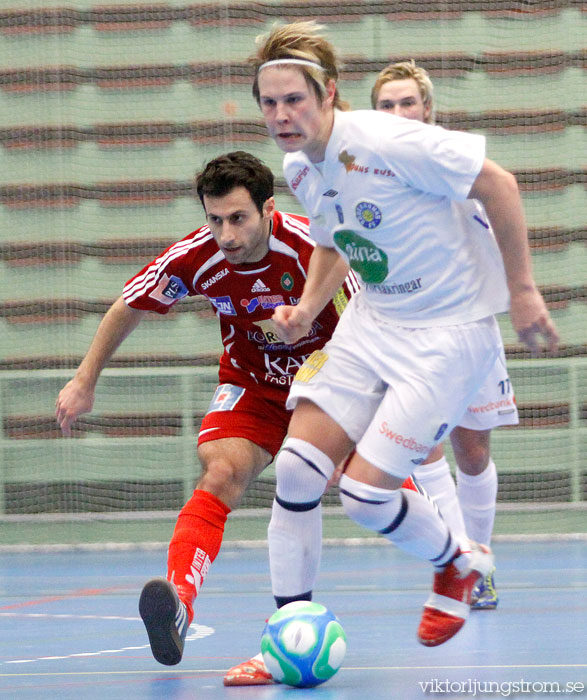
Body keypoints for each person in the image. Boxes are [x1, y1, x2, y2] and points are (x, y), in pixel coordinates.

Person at [249, 19, 558, 654]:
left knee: (364, 496)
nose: (281, 114)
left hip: (447, 334)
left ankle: (456, 559)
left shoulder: (390, 141)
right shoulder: (300, 166)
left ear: (329, 93)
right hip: (375, 321)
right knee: (299, 470)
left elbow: (498, 183)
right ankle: (285, 634)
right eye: (270, 102)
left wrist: (523, 291)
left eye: (294, 100)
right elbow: (335, 237)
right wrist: (307, 308)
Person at [55, 151, 360, 672]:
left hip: (332, 380)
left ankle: (457, 560)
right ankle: (178, 604)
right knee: (219, 473)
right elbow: (129, 304)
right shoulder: (196, 258)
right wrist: (85, 378)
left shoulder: (314, 247)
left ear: (267, 209)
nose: (226, 235)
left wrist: (353, 423)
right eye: (214, 219)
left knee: (371, 490)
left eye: (238, 219)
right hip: (252, 385)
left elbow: (369, 320)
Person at [371, 59, 521, 610]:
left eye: (407, 102)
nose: (397, 113)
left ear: (427, 109)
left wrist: (519, 289)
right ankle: (464, 565)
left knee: (473, 448)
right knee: (422, 445)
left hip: (469, 323)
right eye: (386, 105)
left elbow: (501, 204)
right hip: (408, 328)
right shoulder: (366, 170)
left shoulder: (456, 160)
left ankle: (481, 553)